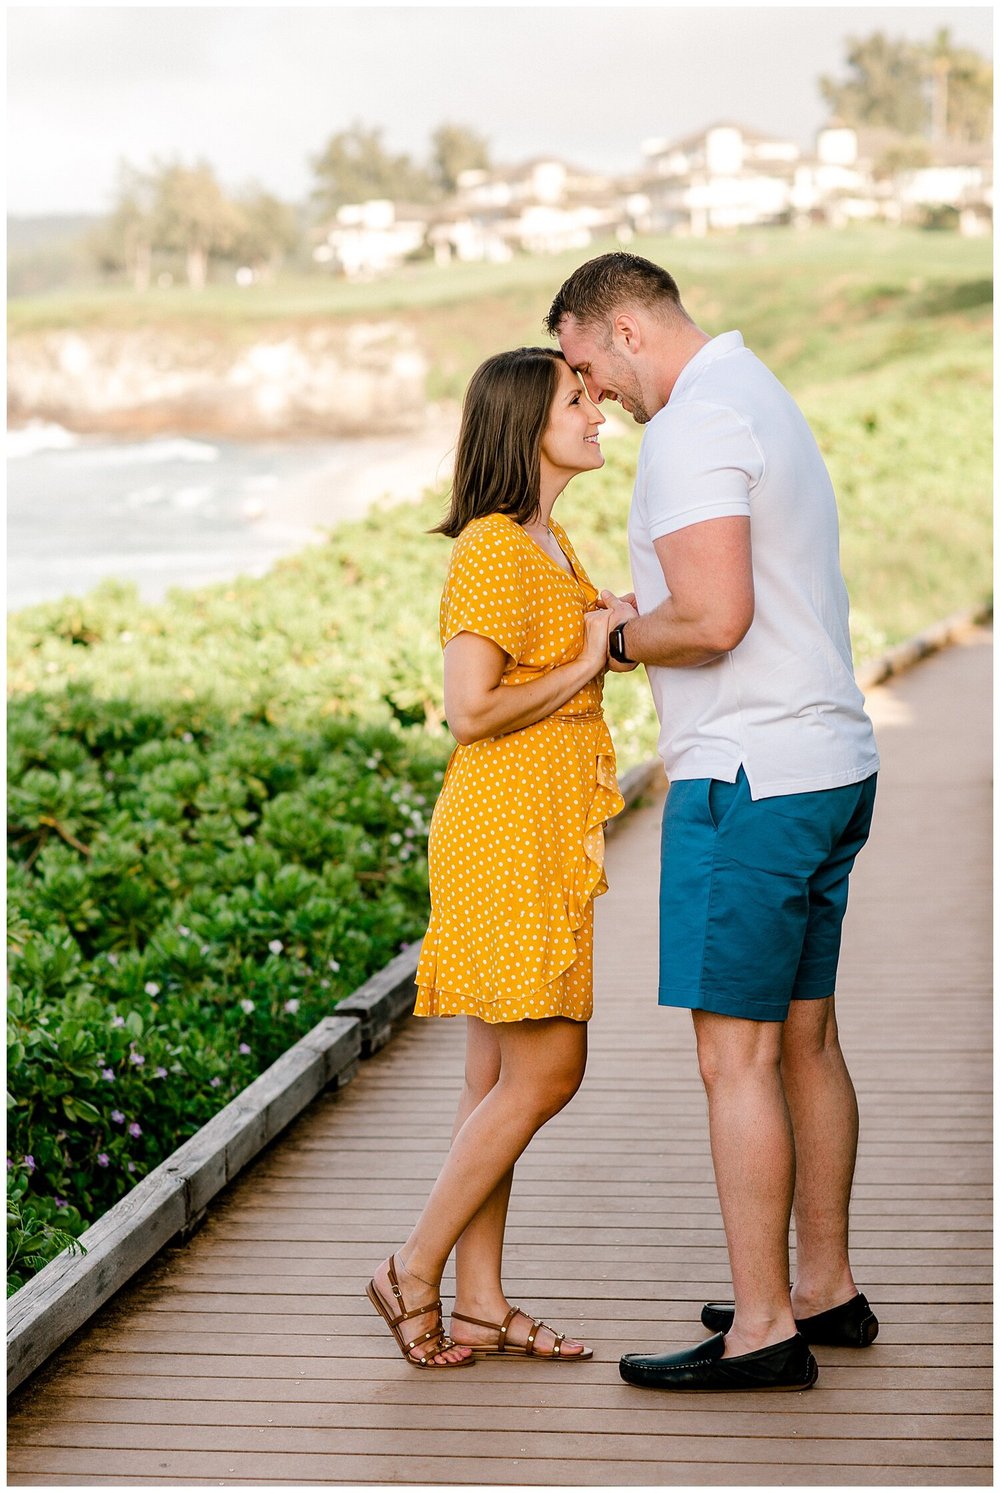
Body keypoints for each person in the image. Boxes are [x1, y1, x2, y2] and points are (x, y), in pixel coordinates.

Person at [547, 252, 880, 1394]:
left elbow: (719, 616)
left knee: (730, 1053)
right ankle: (822, 1285)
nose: (595, 397)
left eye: (588, 366)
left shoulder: (690, 426)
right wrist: (662, 611)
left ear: (627, 327)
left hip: (747, 774)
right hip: (826, 760)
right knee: (805, 1037)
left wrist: (619, 639)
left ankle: (761, 1327)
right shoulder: (756, 391)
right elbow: (743, 590)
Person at [366, 346, 624, 1368]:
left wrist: (606, 634)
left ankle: (479, 1303)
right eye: (578, 397)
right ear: (526, 424)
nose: (597, 408)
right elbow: (468, 709)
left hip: (538, 826)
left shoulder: (549, 539)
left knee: (496, 1077)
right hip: (504, 830)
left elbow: (562, 663)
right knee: (549, 1067)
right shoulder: (491, 547)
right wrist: (584, 661)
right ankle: (411, 1267)